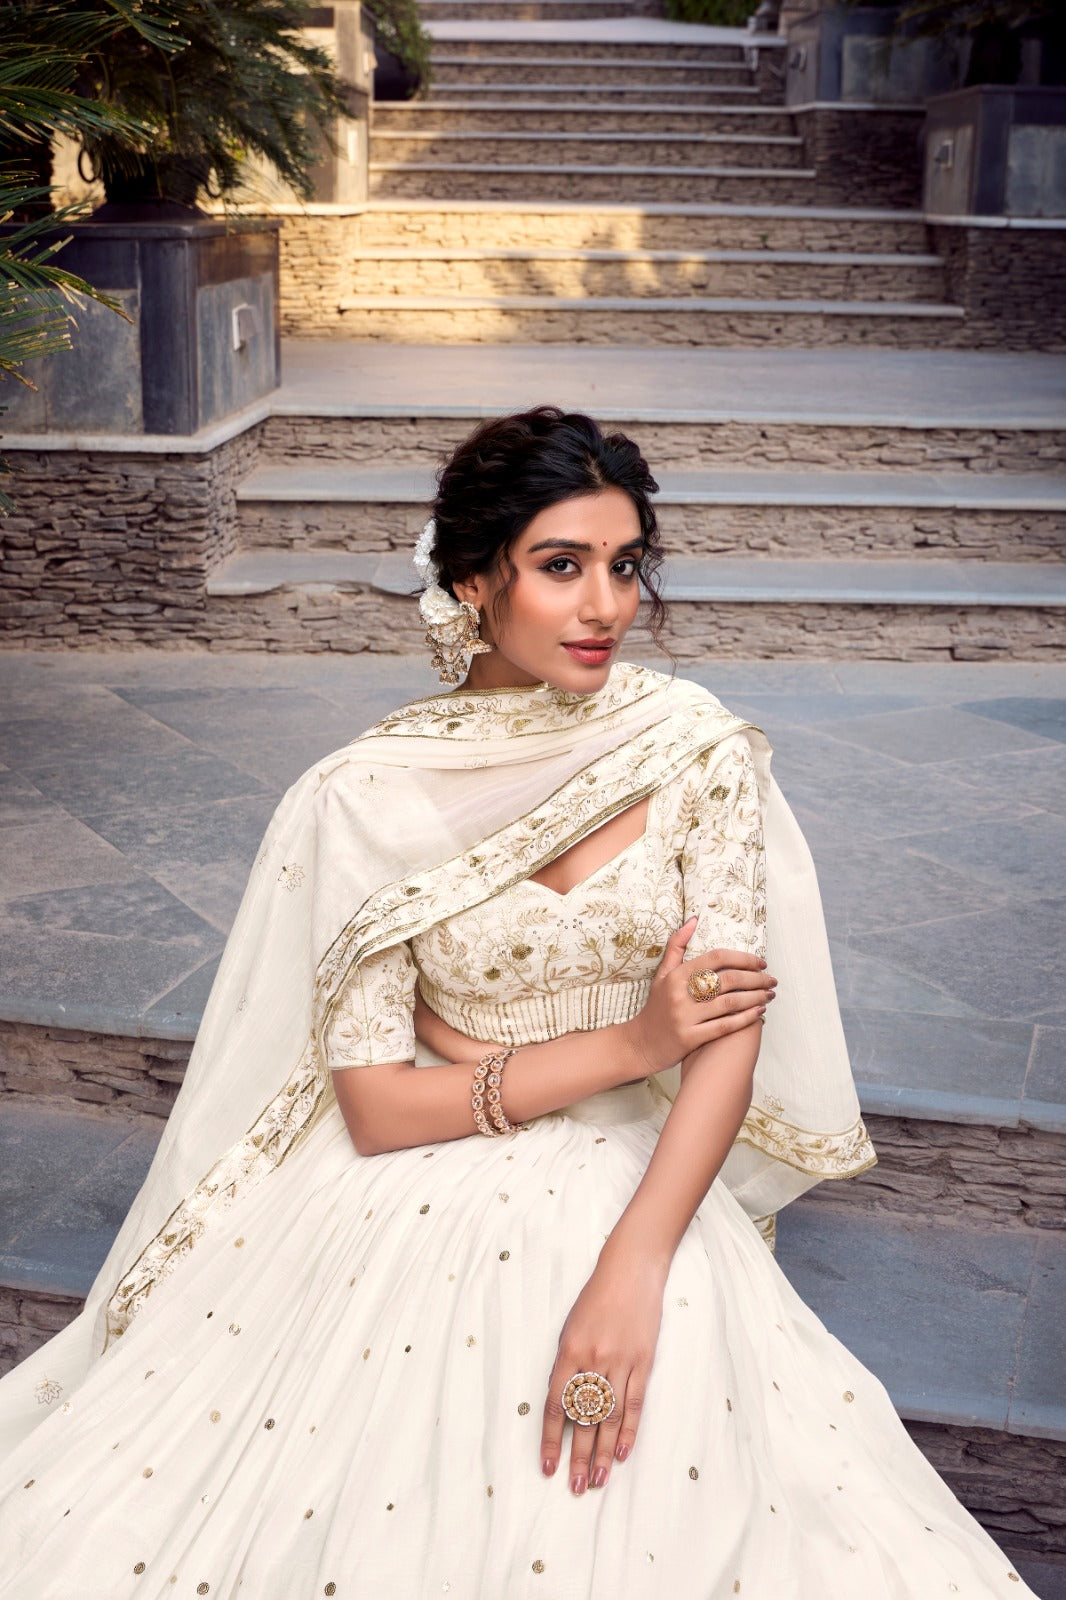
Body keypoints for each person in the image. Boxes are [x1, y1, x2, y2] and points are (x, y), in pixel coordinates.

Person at [0, 407, 1036, 1598]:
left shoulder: (689, 745)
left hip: (636, 1176)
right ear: (471, 581)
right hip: (396, 1182)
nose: (605, 606)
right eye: (561, 566)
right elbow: (380, 1109)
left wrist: (632, 1267)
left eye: (625, 564)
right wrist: (633, 1038)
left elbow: (727, 1043)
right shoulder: (365, 798)